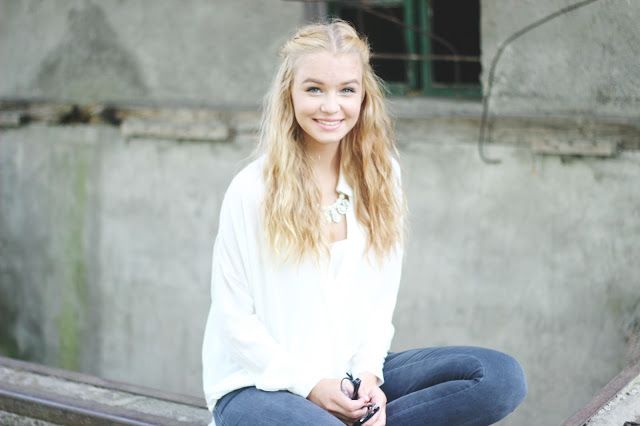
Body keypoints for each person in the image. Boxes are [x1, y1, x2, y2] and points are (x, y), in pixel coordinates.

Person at [202, 20, 527, 426]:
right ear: (290, 93)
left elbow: (379, 303)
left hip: (349, 373)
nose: (331, 106)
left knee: (498, 378)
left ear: (363, 96)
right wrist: (311, 385)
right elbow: (233, 319)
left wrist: (369, 378)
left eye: (346, 90)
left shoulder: (381, 176)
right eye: (314, 89)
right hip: (258, 384)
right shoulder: (252, 189)